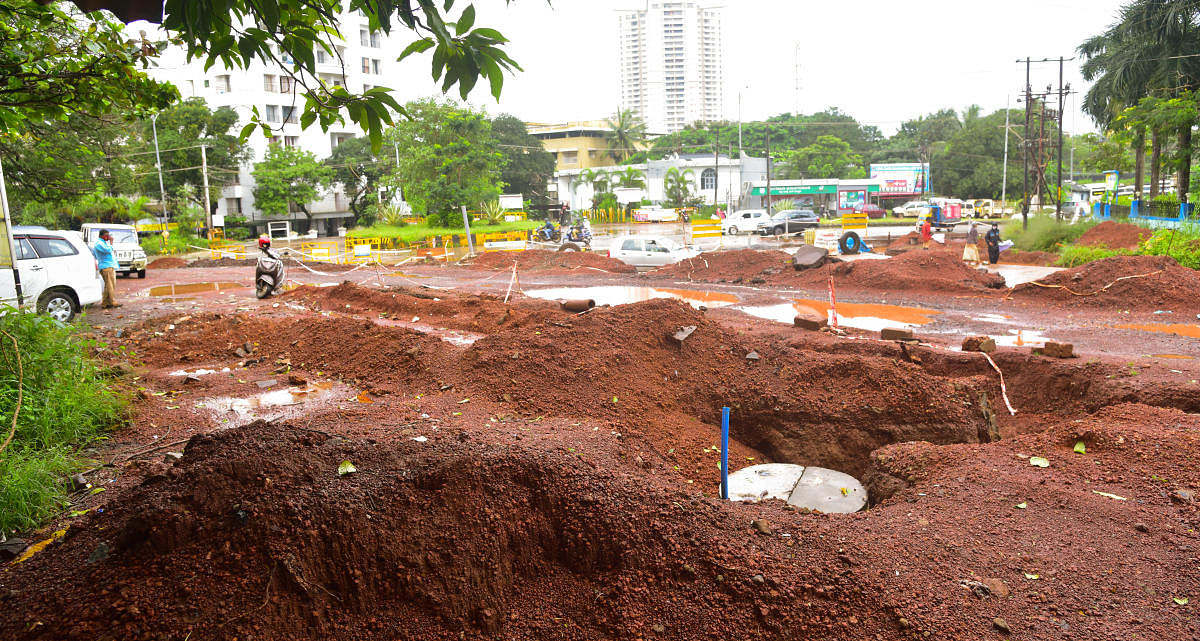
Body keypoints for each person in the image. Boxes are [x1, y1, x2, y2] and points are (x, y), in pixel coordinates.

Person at [91, 229, 120, 309]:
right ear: (102, 235)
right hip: (106, 266)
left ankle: (105, 303)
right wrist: (111, 242)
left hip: (108, 265)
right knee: (110, 285)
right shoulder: (99, 244)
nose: (108, 237)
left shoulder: (103, 243)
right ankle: (112, 302)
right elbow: (107, 250)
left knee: (109, 285)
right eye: (106, 235)